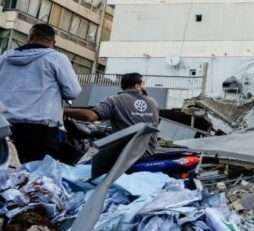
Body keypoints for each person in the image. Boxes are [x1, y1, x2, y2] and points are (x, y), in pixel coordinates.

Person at [0, 23, 81, 163]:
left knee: (6, 169)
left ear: (30, 38)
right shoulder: (57, 58)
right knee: (38, 171)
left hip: (5, 125)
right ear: (53, 42)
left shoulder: (5, 57)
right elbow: (73, 92)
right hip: (41, 129)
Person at [64, 73, 160, 155]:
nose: (145, 87)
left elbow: (90, 116)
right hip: (149, 153)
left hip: (124, 157)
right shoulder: (153, 102)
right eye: (143, 84)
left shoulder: (115, 100)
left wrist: (63, 110)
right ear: (137, 86)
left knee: (95, 154)